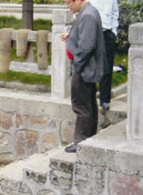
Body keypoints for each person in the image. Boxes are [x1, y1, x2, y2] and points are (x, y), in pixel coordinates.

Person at [60, 0, 106, 153]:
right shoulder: (88, 12)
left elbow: (86, 47)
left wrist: (78, 66)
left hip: (85, 67)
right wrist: (71, 37)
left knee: (81, 105)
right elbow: (85, 36)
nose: (68, 6)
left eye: (69, 2)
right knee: (89, 104)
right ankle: (89, 137)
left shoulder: (88, 15)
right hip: (86, 66)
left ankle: (82, 140)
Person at [90, 0, 119, 111]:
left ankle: (105, 99)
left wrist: (113, 32)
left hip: (107, 33)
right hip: (92, 33)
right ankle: (90, 97)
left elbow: (115, 13)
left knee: (106, 67)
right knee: (91, 65)